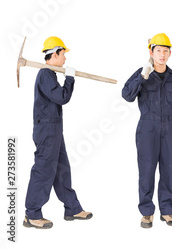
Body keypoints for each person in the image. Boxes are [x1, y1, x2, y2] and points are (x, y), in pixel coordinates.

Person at [24, 36, 92, 229]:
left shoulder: (50, 74)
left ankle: (72, 208)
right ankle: (32, 213)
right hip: (47, 130)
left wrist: (65, 77)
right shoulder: (45, 74)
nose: (65, 59)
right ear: (54, 54)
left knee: (62, 169)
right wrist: (69, 78)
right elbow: (62, 97)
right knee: (44, 170)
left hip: (53, 129)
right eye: (63, 55)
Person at [122, 33, 172, 228]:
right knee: (147, 170)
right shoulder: (142, 73)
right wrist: (142, 76)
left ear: (170, 53)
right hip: (147, 129)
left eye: (166, 51)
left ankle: (167, 211)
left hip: (169, 129)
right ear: (151, 52)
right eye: (158, 50)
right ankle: (146, 212)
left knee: (169, 170)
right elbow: (126, 95)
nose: (162, 54)